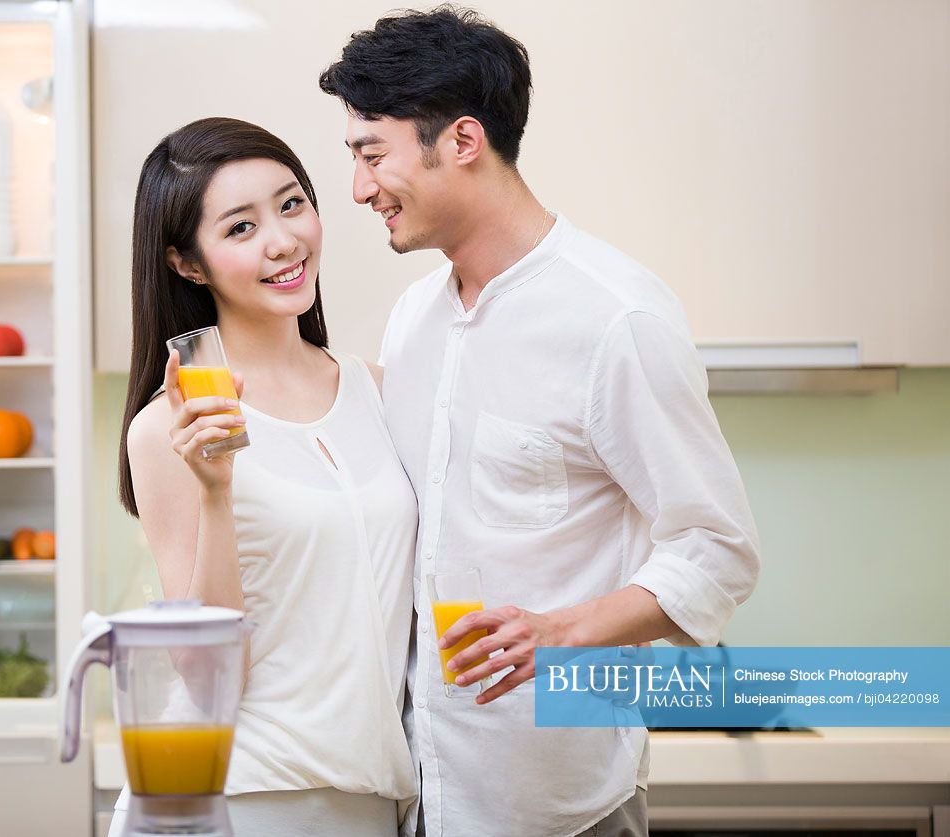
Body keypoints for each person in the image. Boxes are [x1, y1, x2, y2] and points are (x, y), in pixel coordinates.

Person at [320, 7, 761, 836]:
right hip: (423, 793)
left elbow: (718, 549)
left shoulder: (614, 317)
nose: (358, 188)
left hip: (564, 807)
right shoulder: (414, 318)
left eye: (370, 154)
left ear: (460, 140)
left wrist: (559, 631)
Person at [116, 117, 417, 836]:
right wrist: (216, 492)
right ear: (188, 264)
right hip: (247, 797)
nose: (282, 241)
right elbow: (202, 671)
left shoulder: (377, 389)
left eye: (290, 204)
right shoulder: (169, 428)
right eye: (239, 228)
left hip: (373, 798)